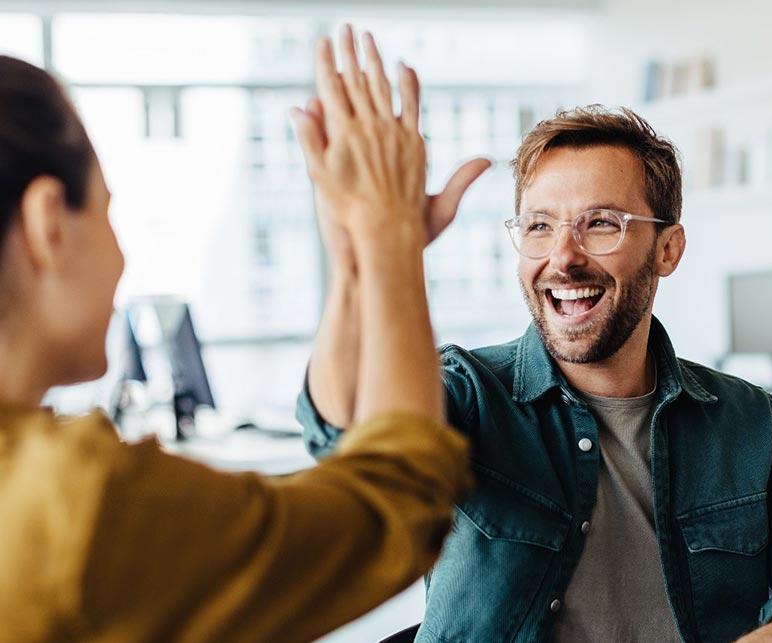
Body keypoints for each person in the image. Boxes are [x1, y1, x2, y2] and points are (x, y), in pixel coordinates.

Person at [298, 100, 772, 640]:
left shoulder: (749, 421)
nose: (564, 256)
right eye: (539, 226)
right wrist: (361, 263)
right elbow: (346, 427)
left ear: (667, 249)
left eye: (601, 223)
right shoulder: (471, 394)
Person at [0, 26, 476, 642]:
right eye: (107, 211)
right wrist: (389, 231)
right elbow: (393, 501)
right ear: (48, 226)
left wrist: (363, 261)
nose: (121, 256)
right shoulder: (69, 504)